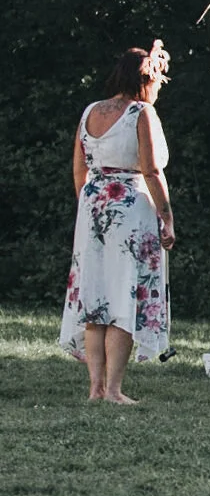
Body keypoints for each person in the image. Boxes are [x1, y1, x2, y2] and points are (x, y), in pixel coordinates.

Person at [59, 41, 176, 404]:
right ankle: (112, 390)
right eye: (158, 82)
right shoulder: (141, 113)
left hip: (93, 206)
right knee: (124, 297)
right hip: (129, 207)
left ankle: (95, 389)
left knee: (95, 298)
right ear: (146, 79)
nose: (159, 88)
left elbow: (79, 166)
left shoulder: (90, 111)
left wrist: (89, 205)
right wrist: (167, 218)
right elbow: (152, 170)